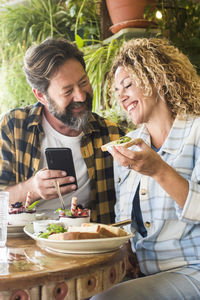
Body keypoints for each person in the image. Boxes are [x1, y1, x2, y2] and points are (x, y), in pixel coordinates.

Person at [91, 38, 200, 299]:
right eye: (118, 90)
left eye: (128, 84)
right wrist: (126, 248)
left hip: (191, 268)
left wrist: (159, 170)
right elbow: (125, 215)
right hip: (146, 272)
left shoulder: (196, 133)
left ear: (158, 78)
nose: (122, 96)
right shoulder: (129, 144)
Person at [0, 37, 125, 224]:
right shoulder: (13, 127)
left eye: (83, 83)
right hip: (25, 247)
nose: (81, 96)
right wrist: (33, 188)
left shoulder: (111, 135)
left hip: (88, 246)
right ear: (41, 95)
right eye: (67, 91)